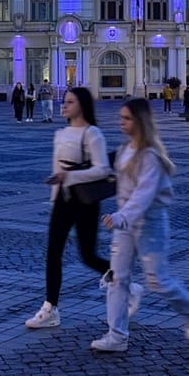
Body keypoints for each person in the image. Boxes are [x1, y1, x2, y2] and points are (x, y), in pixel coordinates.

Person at [92, 97, 189, 352]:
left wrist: (120, 216)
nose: (121, 122)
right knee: (117, 278)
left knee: (157, 280)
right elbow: (114, 180)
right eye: (121, 117)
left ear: (140, 122)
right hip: (125, 225)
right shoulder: (125, 149)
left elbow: (142, 196)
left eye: (126, 118)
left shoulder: (151, 157)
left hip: (150, 223)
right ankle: (117, 336)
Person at [24, 87, 112, 330]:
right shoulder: (60, 133)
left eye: (70, 102)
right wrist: (54, 198)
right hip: (63, 200)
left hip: (85, 201)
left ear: (82, 105)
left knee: (88, 255)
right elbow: (58, 170)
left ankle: (120, 279)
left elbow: (103, 170)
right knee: (53, 253)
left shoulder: (92, 134)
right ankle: (50, 308)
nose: (64, 105)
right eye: (64, 101)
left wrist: (70, 176)